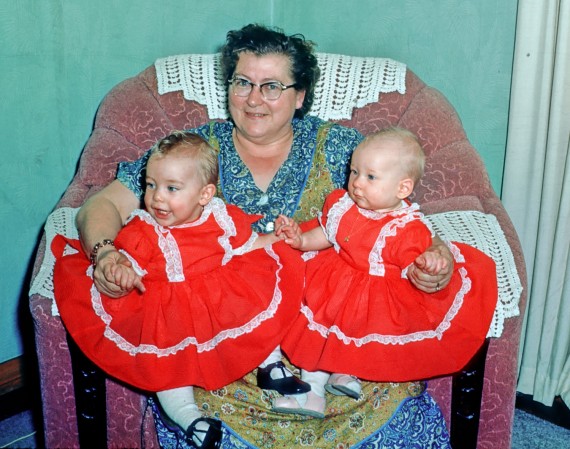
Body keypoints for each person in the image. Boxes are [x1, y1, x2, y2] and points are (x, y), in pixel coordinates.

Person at [74, 23, 456, 448]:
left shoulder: (343, 149)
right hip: (226, 345)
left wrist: (434, 259)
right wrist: (105, 253)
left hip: (334, 333)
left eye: (272, 86)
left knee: (391, 413)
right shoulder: (193, 152)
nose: (254, 99)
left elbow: (404, 216)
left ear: (300, 96)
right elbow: (101, 205)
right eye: (243, 83)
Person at [54, 131, 307, 449]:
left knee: (256, 308)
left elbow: (246, 245)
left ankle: (270, 365)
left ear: (205, 194)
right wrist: (121, 273)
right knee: (166, 369)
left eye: (172, 188)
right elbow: (126, 265)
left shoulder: (220, 216)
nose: (157, 197)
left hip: (219, 296)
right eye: (150, 185)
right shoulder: (143, 231)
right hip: (170, 310)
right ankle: (190, 418)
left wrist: (279, 241)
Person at [271, 128, 498, 418]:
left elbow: (414, 266)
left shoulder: (405, 228)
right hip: (334, 276)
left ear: (402, 189)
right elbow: (329, 234)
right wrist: (301, 240)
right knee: (316, 328)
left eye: (370, 177)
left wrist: (428, 262)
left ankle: (345, 372)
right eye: (354, 172)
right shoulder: (342, 205)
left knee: (354, 330)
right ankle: (312, 393)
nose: (356, 183)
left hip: (373, 294)